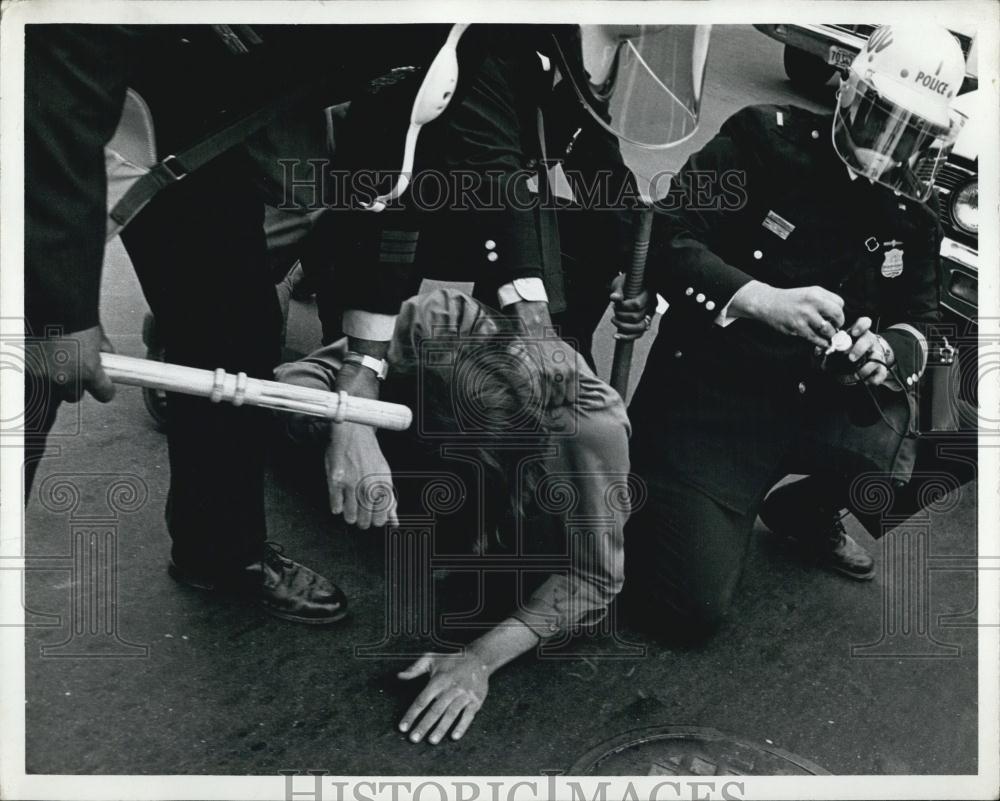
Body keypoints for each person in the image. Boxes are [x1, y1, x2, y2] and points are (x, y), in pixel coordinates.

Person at [23, 24, 443, 625]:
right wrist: (61, 312)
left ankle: (220, 552)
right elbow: (54, 72)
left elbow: (385, 186)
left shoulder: (460, 39)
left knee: (236, 333)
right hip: (51, 102)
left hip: (217, 123)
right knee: (32, 366)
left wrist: (360, 382)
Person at [611, 25, 966, 637]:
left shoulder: (914, 215)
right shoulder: (763, 140)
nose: (890, 150)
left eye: (914, 136)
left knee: (955, 430)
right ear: (852, 95)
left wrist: (884, 349)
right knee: (687, 612)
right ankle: (687, 500)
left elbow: (924, 323)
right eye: (883, 122)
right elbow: (670, 234)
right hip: (714, 408)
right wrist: (760, 300)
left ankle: (807, 507)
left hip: (818, 401)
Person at [275, 287, 631, 742]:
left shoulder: (593, 424)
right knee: (289, 432)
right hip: (398, 440)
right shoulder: (434, 320)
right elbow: (306, 373)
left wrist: (480, 658)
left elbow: (594, 577)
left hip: (524, 501)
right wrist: (350, 428)